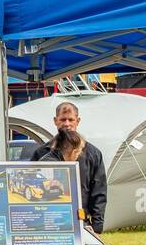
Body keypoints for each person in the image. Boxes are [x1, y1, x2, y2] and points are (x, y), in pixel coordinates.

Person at [30, 100, 107, 233]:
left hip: (81, 222)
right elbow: (32, 184)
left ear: (78, 121)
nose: (67, 124)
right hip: (48, 221)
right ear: (55, 121)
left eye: (71, 120)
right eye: (63, 119)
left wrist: (97, 227)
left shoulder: (93, 154)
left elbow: (99, 192)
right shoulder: (41, 153)